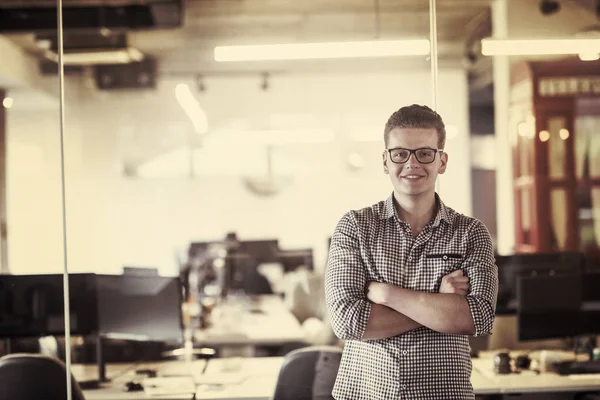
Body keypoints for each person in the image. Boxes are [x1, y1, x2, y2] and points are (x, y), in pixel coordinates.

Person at [325, 104, 498, 400]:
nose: (412, 163)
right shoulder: (355, 227)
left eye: (425, 153)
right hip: (369, 394)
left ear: (442, 161)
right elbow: (347, 321)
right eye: (400, 153)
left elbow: (479, 317)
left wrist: (388, 295)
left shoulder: (470, 233)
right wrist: (441, 305)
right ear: (385, 161)